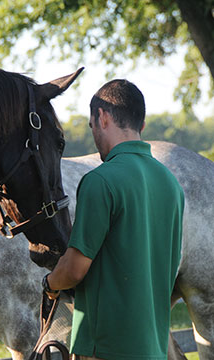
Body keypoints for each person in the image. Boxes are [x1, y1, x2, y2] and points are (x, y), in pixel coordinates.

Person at [42, 79, 184, 360]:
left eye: (92, 125)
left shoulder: (100, 181)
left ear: (103, 117)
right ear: (141, 125)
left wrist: (50, 283)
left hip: (104, 348)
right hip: (154, 349)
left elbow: (75, 269)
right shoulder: (171, 184)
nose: (93, 132)